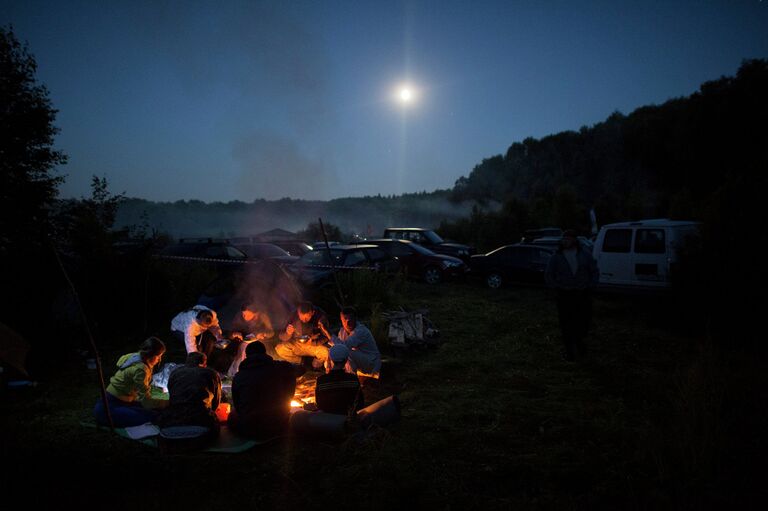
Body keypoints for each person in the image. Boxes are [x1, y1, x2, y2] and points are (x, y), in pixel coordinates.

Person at [545, 229, 599, 361]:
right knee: (566, 323)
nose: (565, 241)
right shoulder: (556, 256)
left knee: (582, 322)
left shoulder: (585, 254)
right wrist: (556, 288)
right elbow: (548, 274)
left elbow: (594, 271)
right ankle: (569, 351)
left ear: (575, 240)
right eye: (564, 239)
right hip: (564, 294)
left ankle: (579, 343)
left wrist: (591, 286)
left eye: (568, 239)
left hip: (582, 293)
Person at [93, 337, 169, 427]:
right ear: (151, 355)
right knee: (153, 416)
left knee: (154, 410)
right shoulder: (141, 370)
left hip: (120, 400)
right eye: (159, 356)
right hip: (108, 409)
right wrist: (167, 403)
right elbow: (147, 402)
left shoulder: (134, 357)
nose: (159, 360)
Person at [228, 341, 298, 438]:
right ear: (265, 353)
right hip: (279, 423)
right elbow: (300, 369)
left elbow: (237, 405)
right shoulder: (281, 367)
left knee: (232, 415)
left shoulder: (239, 377)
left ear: (247, 356)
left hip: (249, 428)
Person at [157, 352, 222, 436]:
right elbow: (216, 403)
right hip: (201, 423)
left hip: (170, 422)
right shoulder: (211, 374)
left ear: (186, 362)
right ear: (204, 364)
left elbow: (171, 396)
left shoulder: (175, 373)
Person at [223, 303, 276, 376]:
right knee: (243, 347)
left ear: (255, 314)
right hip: (242, 341)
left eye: (248, 315)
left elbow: (271, 332)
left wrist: (264, 334)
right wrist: (234, 333)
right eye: (243, 314)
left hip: (258, 341)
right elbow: (230, 333)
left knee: (253, 349)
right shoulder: (239, 317)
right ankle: (237, 372)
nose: (245, 317)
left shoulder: (262, 317)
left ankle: (253, 372)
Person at [275, 301, 331, 369]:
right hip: (297, 344)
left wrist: (314, 342)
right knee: (280, 349)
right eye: (301, 317)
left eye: (307, 318)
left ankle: (316, 366)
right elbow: (281, 336)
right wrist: (288, 333)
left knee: (326, 352)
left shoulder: (321, 317)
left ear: (313, 313)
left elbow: (327, 336)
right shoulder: (293, 316)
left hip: (314, 346)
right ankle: (304, 363)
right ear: (298, 312)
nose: (304, 320)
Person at [329, 307, 381, 377]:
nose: (347, 323)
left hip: (371, 362)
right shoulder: (342, 331)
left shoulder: (361, 331)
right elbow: (337, 347)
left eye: (350, 319)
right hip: (359, 362)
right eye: (345, 319)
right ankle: (335, 377)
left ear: (355, 319)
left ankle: (351, 379)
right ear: (341, 319)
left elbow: (344, 347)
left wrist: (327, 332)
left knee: (346, 352)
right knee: (333, 353)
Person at [315, 344, 364, 414]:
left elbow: (319, 405)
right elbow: (360, 403)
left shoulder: (321, 381)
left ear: (331, 359)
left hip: (328, 420)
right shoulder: (353, 379)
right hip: (347, 418)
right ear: (346, 359)